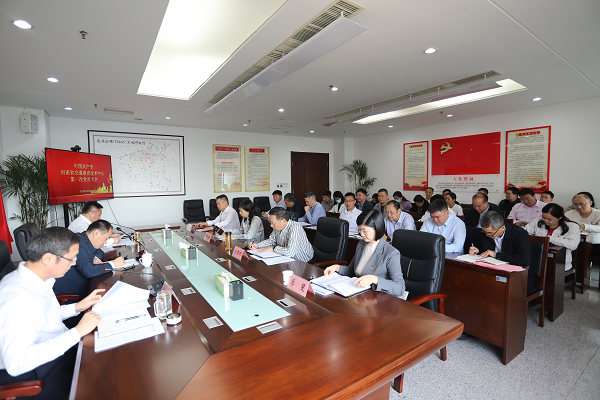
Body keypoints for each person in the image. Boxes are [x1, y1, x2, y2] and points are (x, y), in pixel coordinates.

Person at [0, 227, 104, 400]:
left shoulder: (37, 279)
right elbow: (18, 363)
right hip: (31, 372)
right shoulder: (16, 299)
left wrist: (78, 307)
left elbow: (46, 316)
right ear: (47, 258)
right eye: (71, 258)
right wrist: (77, 332)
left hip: (53, 348)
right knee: (100, 383)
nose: (74, 263)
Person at [323, 210, 405, 297]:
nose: (362, 234)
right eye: (360, 230)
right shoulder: (361, 244)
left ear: (377, 228)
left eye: (365, 231)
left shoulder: (391, 253)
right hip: (357, 293)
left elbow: (400, 288)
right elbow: (353, 270)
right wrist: (337, 268)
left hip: (376, 298)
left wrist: (375, 279)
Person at [54, 220, 126, 300]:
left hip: (83, 286)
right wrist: (113, 264)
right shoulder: (78, 243)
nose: (105, 242)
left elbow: (99, 251)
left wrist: (95, 258)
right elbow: (89, 271)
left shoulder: (84, 239)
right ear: (96, 233)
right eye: (106, 238)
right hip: (69, 294)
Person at [526, 203, 580, 271]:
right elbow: (524, 233)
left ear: (560, 218)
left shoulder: (572, 226)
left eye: (549, 219)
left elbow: (573, 245)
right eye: (543, 217)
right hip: (536, 259)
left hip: (560, 262)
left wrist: (549, 239)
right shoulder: (537, 221)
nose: (545, 221)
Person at [249, 207, 313, 262]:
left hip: (302, 262)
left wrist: (274, 248)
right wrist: (258, 245)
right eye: (270, 222)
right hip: (286, 259)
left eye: (273, 223)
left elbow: (290, 252)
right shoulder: (277, 227)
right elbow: (271, 241)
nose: (271, 225)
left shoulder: (295, 228)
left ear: (283, 221)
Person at [565, 192, 600, 257]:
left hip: (594, 243)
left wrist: (584, 226)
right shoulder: (569, 214)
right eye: (575, 205)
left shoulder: (598, 214)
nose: (579, 207)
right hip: (573, 241)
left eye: (582, 204)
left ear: (590, 203)